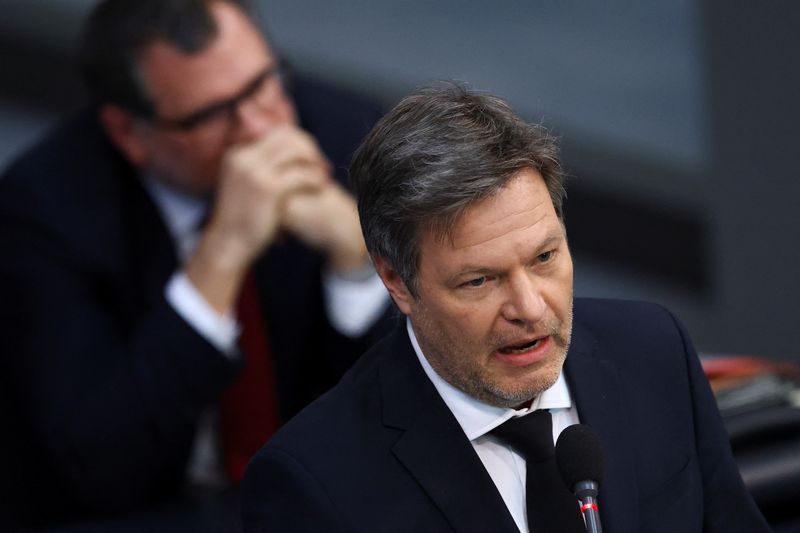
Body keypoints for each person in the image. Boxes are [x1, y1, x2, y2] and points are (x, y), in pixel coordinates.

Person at [241, 85, 770, 532]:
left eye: (545, 257)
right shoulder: (314, 485)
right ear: (397, 281)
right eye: (480, 281)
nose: (529, 307)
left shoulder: (654, 353)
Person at [0, 0, 391, 527]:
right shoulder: (42, 212)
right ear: (128, 133)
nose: (258, 129)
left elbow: (408, 414)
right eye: (211, 115)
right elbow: (99, 467)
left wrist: (358, 259)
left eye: (264, 83)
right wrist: (221, 254)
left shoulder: (353, 142)